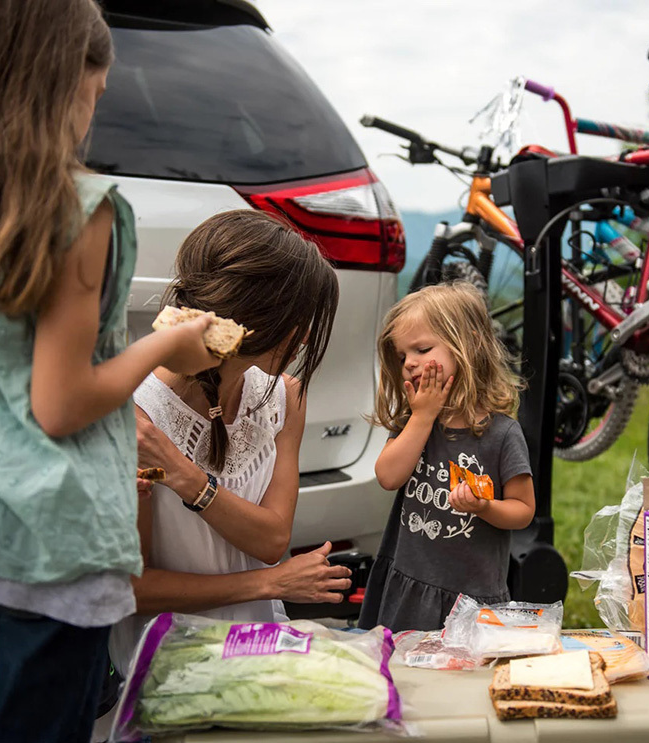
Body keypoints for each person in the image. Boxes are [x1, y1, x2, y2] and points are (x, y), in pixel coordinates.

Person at [0, 1, 217, 741]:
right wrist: (167, 347)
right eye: (96, 95)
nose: (92, 117)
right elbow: (62, 402)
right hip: (59, 547)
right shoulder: (79, 209)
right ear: (60, 80)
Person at [108, 209, 352, 677]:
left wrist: (187, 478)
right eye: (299, 319)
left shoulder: (285, 397)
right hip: (166, 659)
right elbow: (134, 588)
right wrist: (270, 583)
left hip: (257, 648)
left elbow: (272, 538)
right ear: (258, 320)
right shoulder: (137, 417)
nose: (303, 337)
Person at [357, 282, 536, 633]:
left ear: (467, 344)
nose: (409, 364)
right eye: (402, 356)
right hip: (408, 585)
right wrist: (423, 417)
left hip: (468, 597)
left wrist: (485, 508)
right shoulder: (417, 422)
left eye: (422, 349)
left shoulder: (501, 434)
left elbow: (523, 510)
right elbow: (388, 477)